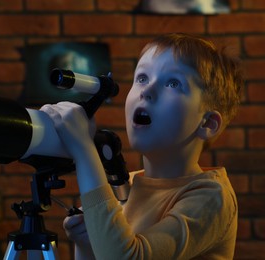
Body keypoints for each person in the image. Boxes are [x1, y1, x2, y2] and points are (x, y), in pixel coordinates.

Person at [40, 33, 243, 259]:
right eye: (142, 78)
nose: (147, 90)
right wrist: (87, 243)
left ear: (207, 123)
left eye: (173, 83)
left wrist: (83, 150)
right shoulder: (125, 186)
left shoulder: (211, 198)